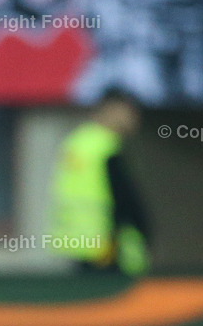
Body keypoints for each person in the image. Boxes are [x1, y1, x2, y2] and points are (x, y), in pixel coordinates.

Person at [50, 90, 152, 275]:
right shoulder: (104, 146)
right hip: (106, 245)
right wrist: (142, 228)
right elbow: (123, 197)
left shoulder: (77, 142)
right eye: (130, 112)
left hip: (80, 241)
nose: (134, 119)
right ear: (112, 110)